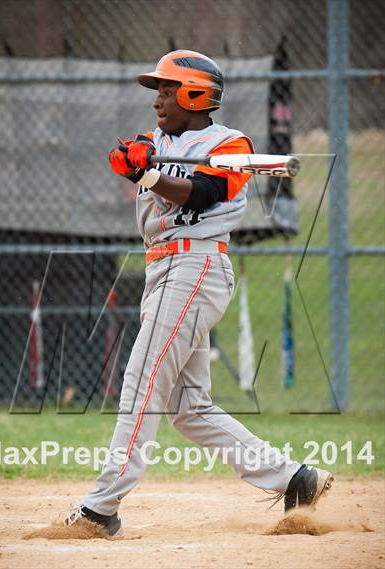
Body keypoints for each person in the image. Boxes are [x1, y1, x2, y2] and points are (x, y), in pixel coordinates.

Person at [64, 50, 333, 539]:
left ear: (194, 94)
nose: (157, 101)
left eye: (167, 90)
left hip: (196, 265)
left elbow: (203, 194)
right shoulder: (159, 140)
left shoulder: (231, 144)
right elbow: (141, 153)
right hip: (162, 269)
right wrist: (135, 160)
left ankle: (101, 507)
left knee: (142, 379)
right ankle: (295, 479)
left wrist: (146, 175)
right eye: (158, 91)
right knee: (190, 409)